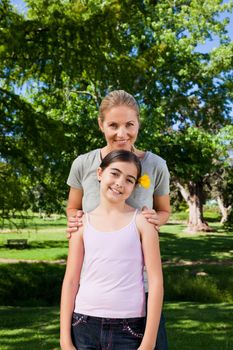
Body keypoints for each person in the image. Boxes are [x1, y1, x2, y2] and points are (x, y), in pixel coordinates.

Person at [66, 90, 170, 349]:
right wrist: (74, 220)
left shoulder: (156, 165)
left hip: (139, 289)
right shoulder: (83, 164)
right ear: (101, 124)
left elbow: (164, 211)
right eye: (113, 125)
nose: (121, 133)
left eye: (129, 125)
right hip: (95, 287)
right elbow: (73, 208)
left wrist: (152, 221)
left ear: (138, 124)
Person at [60, 150, 164, 350]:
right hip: (83, 323)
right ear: (100, 173)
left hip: (129, 326)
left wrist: (149, 342)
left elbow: (156, 281)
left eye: (129, 179)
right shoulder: (80, 224)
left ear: (134, 187)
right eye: (114, 173)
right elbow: (71, 281)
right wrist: (65, 340)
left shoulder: (143, 223)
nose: (119, 183)